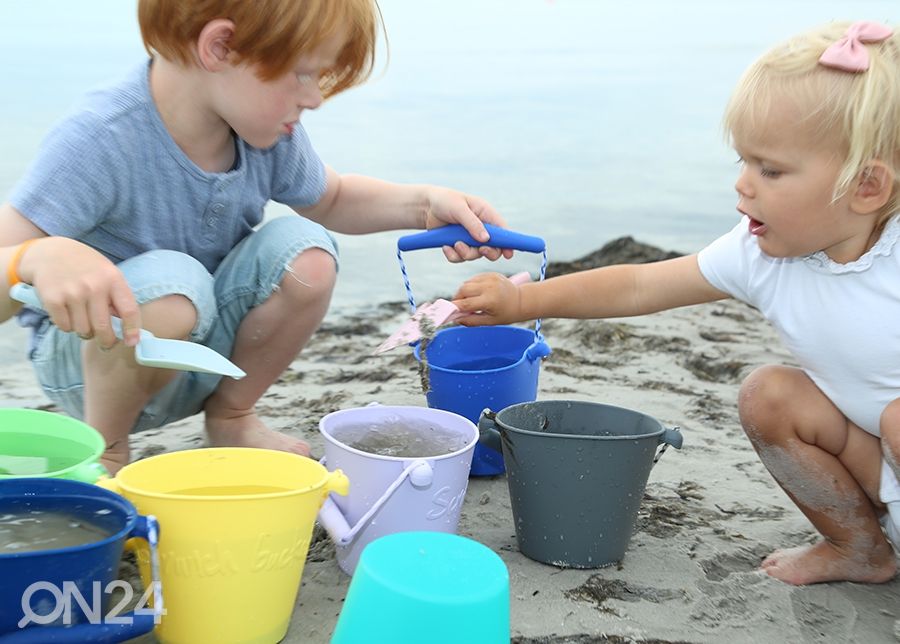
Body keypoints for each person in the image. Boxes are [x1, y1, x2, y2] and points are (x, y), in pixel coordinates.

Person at [453, 20, 900, 586]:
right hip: (875, 464)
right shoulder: (760, 256)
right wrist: (523, 301)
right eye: (742, 161)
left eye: (771, 169)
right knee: (770, 395)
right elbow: (640, 285)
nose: (743, 184)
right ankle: (859, 546)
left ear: (866, 187)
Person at [0, 0, 511, 475]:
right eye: (304, 75)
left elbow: (331, 198)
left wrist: (426, 204)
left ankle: (231, 416)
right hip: (92, 365)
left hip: (203, 352)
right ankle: (105, 447)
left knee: (307, 253)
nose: (314, 98)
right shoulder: (99, 139)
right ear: (220, 47)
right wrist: (34, 257)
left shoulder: (262, 130)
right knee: (174, 282)